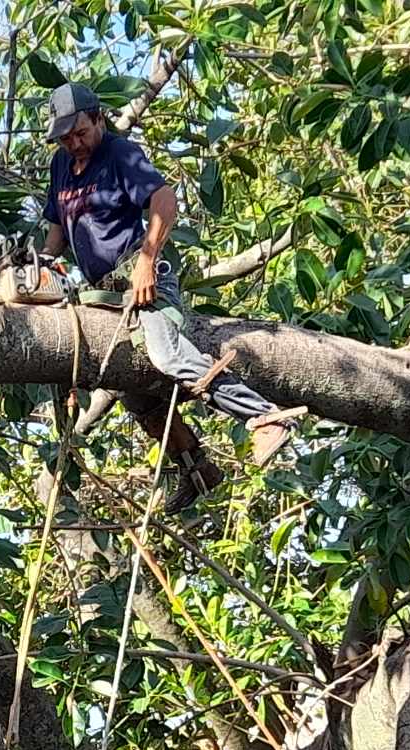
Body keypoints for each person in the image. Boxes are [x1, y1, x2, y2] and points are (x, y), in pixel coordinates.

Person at [39, 82, 301, 465]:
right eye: (66, 138)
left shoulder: (120, 154)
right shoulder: (61, 165)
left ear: (97, 119)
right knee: (131, 391)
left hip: (143, 280)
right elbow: (58, 228)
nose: (74, 144)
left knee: (167, 355)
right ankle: (196, 470)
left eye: (80, 133)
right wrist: (44, 263)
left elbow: (163, 199)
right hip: (104, 296)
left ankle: (264, 417)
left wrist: (146, 259)